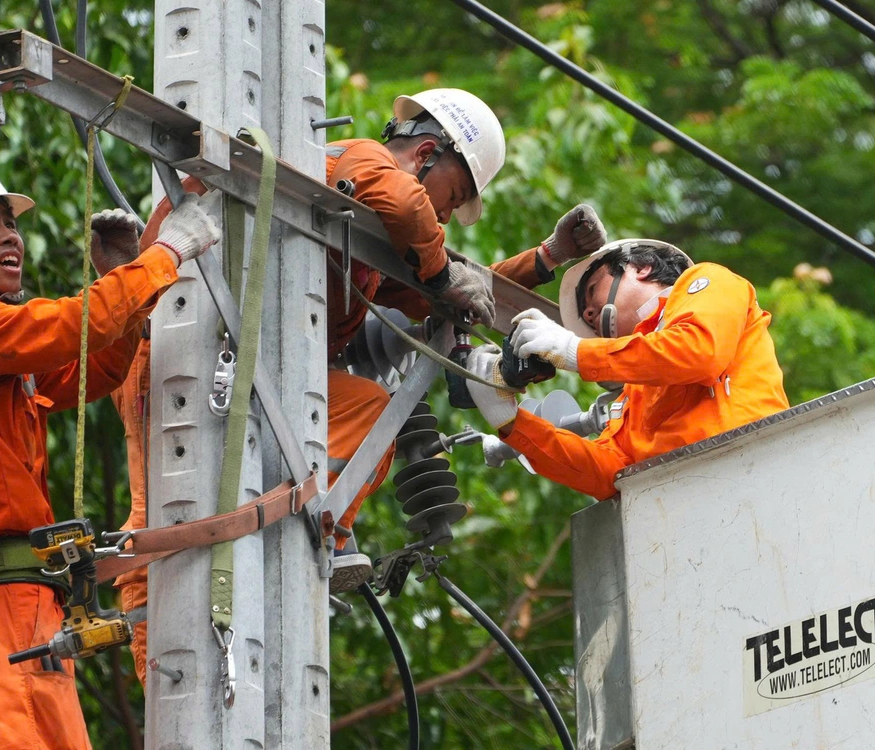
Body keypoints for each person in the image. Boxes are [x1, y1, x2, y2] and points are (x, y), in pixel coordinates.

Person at [111, 87, 608, 685]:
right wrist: (443, 270)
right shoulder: (358, 162)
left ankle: (320, 526)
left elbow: (451, 288)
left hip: (257, 377)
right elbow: (407, 210)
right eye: (451, 199)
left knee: (375, 412)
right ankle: (159, 675)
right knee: (161, 525)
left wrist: (547, 259)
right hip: (181, 351)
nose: (445, 218)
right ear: (425, 153)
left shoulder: (370, 237)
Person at [0, 161, 220, 749]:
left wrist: (127, 280)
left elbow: (92, 367)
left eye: (8, 223)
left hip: (25, 606)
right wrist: (164, 254)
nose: (9, 236)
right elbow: (76, 322)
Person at [463, 239, 789, 499]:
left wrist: (576, 352)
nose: (590, 314)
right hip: (689, 503)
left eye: (592, 292)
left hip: (754, 470)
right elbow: (608, 474)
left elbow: (700, 352)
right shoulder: (635, 393)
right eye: (587, 315)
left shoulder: (709, 281)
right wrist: (510, 421)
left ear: (641, 268)